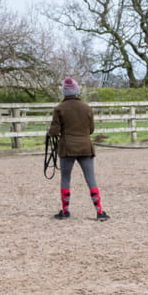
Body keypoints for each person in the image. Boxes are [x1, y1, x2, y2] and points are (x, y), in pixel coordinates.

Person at [48, 77, 109, 221]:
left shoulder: (59, 108)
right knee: (91, 179)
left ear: (64, 91)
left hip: (67, 148)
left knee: (65, 178)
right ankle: (99, 211)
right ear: (77, 91)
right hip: (85, 147)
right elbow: (91, 129)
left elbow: (54, 132)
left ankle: (65, 211)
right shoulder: (87, 108)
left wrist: (50, 132)